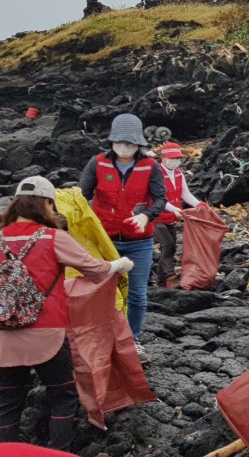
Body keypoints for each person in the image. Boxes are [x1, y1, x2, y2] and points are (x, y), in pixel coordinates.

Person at [1, 176, 133, 450]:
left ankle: (7, 451)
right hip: (46, 333)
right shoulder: (53, 238)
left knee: (8, 400)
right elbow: (96, 270)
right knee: (62, 393)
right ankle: (57, 452)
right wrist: (120, 264)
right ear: (47, 203)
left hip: (4, 337)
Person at [78, 113, 166, 353]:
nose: (124, 147)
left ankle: (132, 338)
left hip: (139, 242)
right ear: (112, 141)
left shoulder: (151, 166)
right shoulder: (97, 163)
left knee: (137, 294)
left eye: (130, 142)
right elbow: (81, 196)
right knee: (101, 291)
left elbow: (160, 199)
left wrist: (145, 216)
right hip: (103, 241)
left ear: (139, 143)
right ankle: (101, 337)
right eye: (120, 142)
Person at [152, 142, 204, 287]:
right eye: (172, 158)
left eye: (177, 158)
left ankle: (160, 282)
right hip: (155, 217)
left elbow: (185, 194)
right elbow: (158, 197)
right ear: (162, 157)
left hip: (171, 218)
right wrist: (173, 209)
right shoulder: (155, 175)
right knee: (167, 244)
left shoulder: (179, 174)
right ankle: (171, 277)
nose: (175, 161)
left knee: (170, 247)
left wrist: (199, 204)